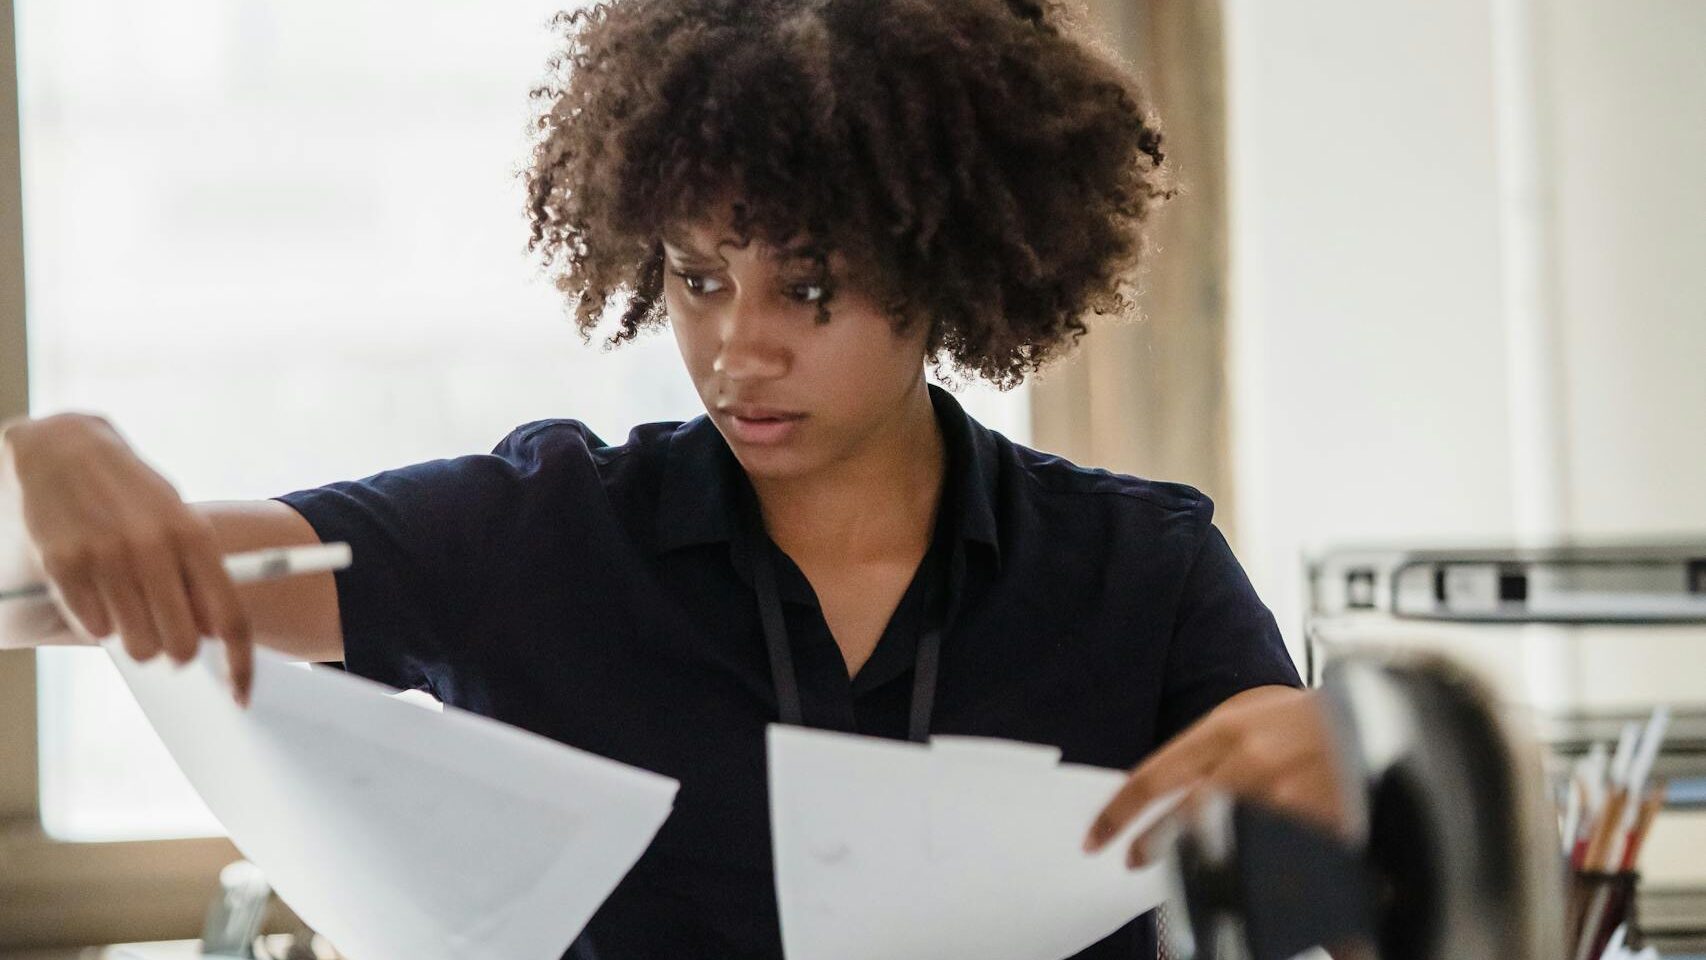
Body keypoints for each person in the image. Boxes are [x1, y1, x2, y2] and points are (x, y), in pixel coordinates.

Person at [0, 0, 1344, 956]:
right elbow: (53, 599)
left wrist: (1347, 787)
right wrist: (50, 464)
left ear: (944, 275)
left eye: (808, 288)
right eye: (700, 279)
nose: (734, 344)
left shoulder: (1143, 575)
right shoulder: (533, 537)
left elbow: (1332, 915)